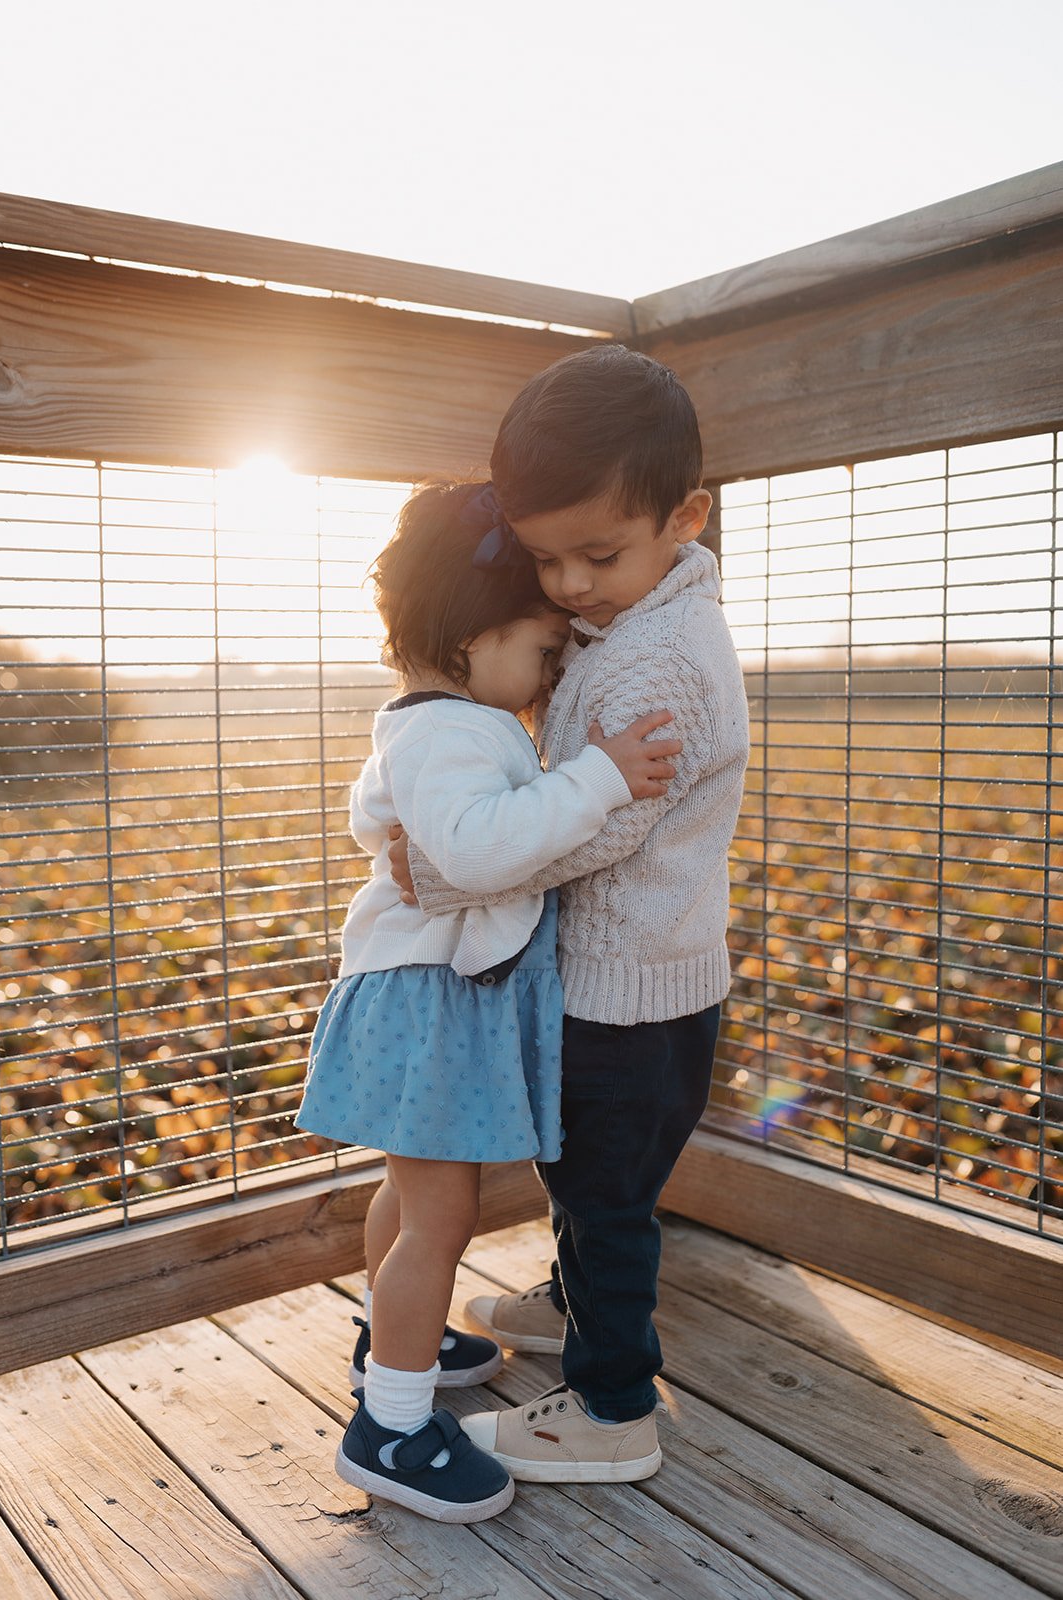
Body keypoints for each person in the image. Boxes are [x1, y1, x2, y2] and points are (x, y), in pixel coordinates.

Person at [390, 344, 750, 1484]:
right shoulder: (634, 621)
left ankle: (608, 1406)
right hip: (625, 975)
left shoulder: (662, 665)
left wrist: (446, 870)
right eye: (546, 559)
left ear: (683, 516)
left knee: (605, 1195)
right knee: (588, 1173)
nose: (571, 586)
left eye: (598, 553)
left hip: (634, 991)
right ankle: (572, 1304)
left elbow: (602, 829)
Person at [295, 477, 682, 1523]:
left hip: (421, 1000)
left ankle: (391, 1344)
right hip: (429, 1006)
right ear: (469, 636)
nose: (547, 676)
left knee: (411, 1200)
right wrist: (599, 774)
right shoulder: (454, 732)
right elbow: (477, 848)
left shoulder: (429, 723)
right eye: (540, 648)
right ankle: (392, 1427)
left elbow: (428, 834)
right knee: (441, 1215)